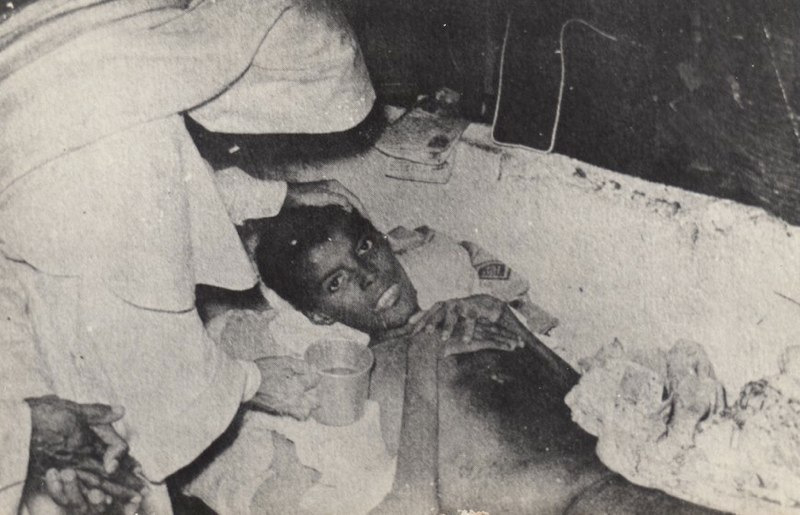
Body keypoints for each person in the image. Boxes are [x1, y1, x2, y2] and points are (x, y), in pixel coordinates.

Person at [0, 0, 374, 512]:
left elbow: (162, 186)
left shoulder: (81, 83)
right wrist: (251, 382)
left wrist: (277, 195)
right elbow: (153, 354)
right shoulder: (109, 132)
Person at [183, 205, 564, 513]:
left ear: (385, 242)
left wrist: (508, 318)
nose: (368, 275)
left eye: (364, 247)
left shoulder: (477, 318)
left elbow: (583, 411)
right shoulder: (365, 378)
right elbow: (413, 503)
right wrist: (422, 356)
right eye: (336, 282)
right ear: (319, 316)